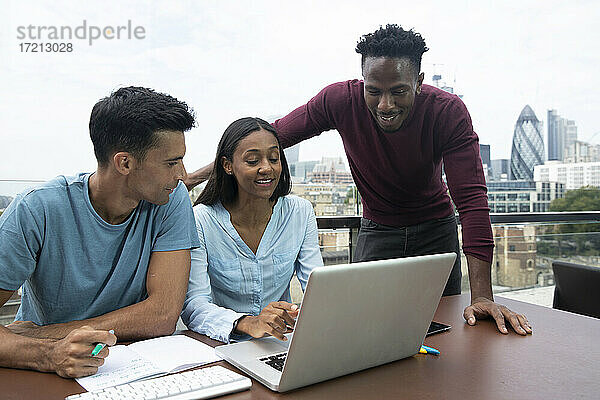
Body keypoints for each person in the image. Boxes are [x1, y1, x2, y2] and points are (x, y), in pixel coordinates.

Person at [185, 25, 532, 335]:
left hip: (436, 231)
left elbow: (472, 204)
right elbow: (266, 139)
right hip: (377, 230)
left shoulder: (448, 112)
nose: (384, 104)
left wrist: (484, 296)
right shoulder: (339, 100)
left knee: (444, 326)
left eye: (398, 91)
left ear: (420, 82)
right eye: (374, 90)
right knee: (366, 329)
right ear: (361, 81)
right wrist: (196, 177)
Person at [0, 87, 200, 378]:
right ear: (125, 163)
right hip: (44, 373)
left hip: (136, 365)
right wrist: (49, 355)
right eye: (171, 163)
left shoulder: (171, 198)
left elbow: (162, 315)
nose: (182, 174)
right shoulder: (36, 208)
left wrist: (45, 335)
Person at [181, 117, 323, 343]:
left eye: (274, 158)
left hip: (281, 342)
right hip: (223, 344)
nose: (266, 168)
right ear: (227, 166)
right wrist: (247, 323)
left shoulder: (300, 212)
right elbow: (194, 305)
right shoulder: (202, 220)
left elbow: (319, 287)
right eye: (252, 160)